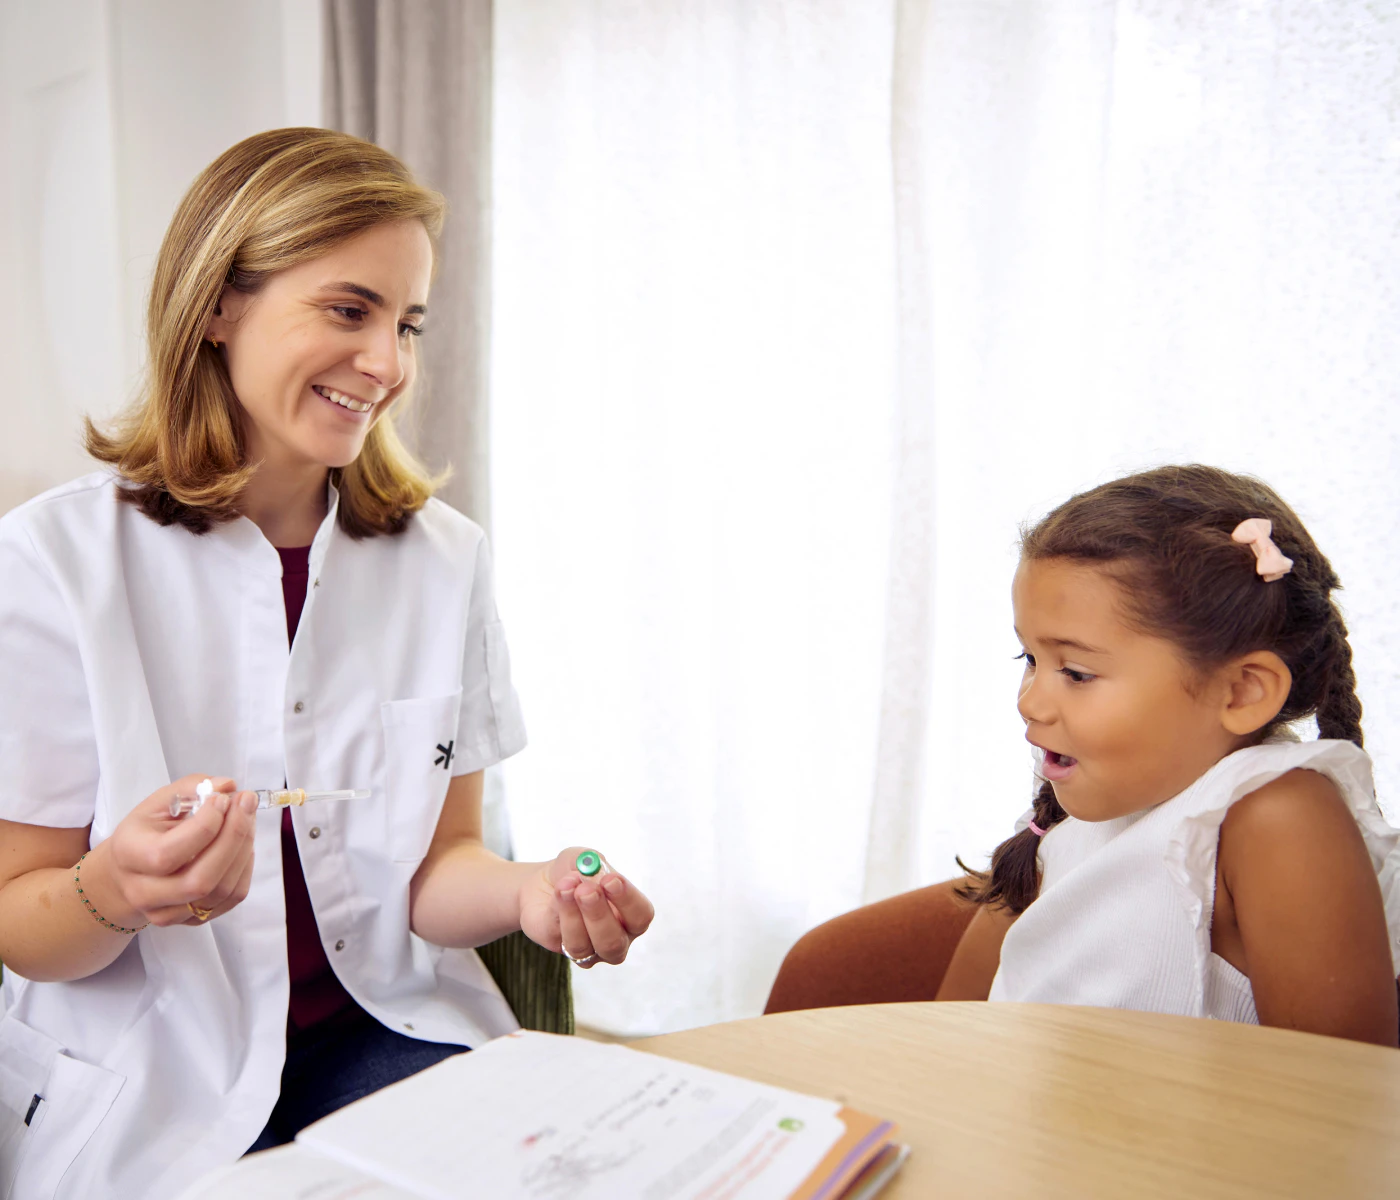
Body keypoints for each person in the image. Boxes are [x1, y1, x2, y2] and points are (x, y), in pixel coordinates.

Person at [0, 128, 654, 1198]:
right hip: (152, 1086)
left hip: (387, 1044)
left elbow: (434, 875)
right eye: (349, 311)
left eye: (406, 324)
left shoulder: (444, 560)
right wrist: (115, 887)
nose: (388, 365)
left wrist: (532, 893)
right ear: (218, 305)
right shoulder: (52, 563)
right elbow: (24, 928)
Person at [937, 465, 1399, 1047]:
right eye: (1028, 658)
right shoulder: (1078, 815)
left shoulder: (1278, 815)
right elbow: (945, 1030)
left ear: (1242, 692)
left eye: (1076, 672)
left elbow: (1344, 1096)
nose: (1030, 702)